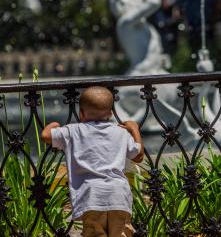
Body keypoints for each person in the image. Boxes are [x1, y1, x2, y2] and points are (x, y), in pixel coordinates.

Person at [41, 86, 144, 237]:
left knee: (95, 233)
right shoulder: (121, 132)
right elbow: (138, 156)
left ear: (81, 113)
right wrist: (134, 129)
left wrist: (54, 124)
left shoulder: (73, 130)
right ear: (110, 113)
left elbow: (46, 136)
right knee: (121, 233)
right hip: (118, 195)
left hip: (91, 197)